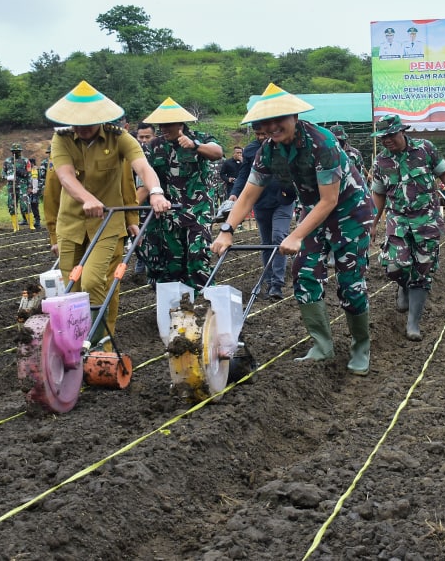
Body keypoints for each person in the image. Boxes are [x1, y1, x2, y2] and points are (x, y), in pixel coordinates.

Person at [213, 83, 375, 376]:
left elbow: (330, 200)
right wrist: (227, 229)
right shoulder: (268, 151)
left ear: (295, 117)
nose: (273, 127)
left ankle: (360, 346)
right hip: (315, 211)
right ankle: (322, 346)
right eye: (266, 123)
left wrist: (296, 234)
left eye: (280, 120)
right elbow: (250, 192)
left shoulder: (321, 143)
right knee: (303, 275)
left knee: (351, 282)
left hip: (350, 211)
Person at [45, 81, 171, 345]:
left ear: (102, 119)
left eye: (89, 122)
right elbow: (65, 176)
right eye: (77, 123)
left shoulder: (119, 137)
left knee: (93, 281)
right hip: (71, 223)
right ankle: (76, 342)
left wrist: (156, 191)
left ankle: (100, 339)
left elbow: (142, 167)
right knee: (72, 287)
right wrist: (87, 199)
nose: (83, 128)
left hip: (108, 222)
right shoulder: (62, 138)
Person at [369, 114, 445, 341]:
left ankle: (413, 323)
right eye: (382, 137)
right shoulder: (381, 162)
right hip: (398, 221)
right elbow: (378, 194)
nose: (387, 140)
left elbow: (444, 173)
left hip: (426, 220)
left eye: (390, 135)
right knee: (394, 266)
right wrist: (372, 223)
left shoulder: (425, 149)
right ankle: (402, 285)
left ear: (401, 131)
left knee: (423, 272)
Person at [140, 97, 223, 291]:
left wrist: (195, 145)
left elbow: (217, 152)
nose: (163, 129)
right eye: (161, 125)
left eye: (168, 125)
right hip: (170, 213)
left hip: (198, 212)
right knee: (173, 264)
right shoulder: (155, 146)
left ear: (180, 124)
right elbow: (147, 180)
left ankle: (204, 305)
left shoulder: (200, 137)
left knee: (197, 258)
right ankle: (178, 311)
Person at [230, 121, 296, 299]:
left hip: (284, 199)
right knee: (266, 243)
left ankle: (277, 284)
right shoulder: (251, 151)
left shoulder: (285, 145)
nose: (261, 138)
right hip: (260, 202)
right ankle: (268, 280)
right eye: (258, 134)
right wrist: (235, 193)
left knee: (278, 237)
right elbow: (243, 174)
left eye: (263, 134)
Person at [2, 144, 37, 230]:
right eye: (14, 151)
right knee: (11, 205)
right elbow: (3, 173)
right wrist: (7, 177)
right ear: (11, 152)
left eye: (18, 152)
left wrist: (30, 186)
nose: (16, 153)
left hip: (22, 186)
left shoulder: (25, 161)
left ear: (20, 152)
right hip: (11, 187)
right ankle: (15, 227)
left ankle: (31, 225)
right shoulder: (7, 161)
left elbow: (29, 175)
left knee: (25, 205)